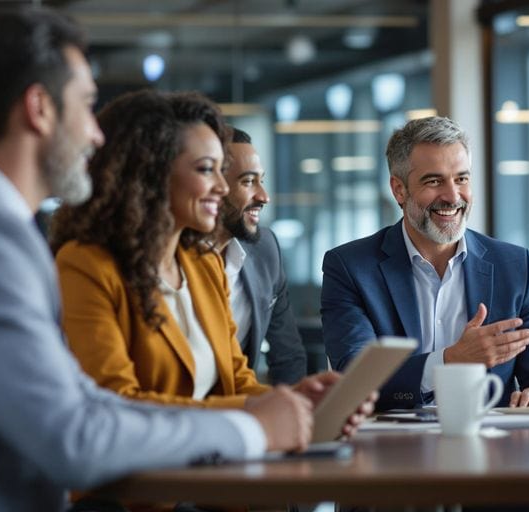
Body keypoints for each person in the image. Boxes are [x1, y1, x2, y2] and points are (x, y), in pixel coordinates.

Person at [0, 7, 316, 510]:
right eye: (86, 105)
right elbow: (74, 439)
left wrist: (277, 408)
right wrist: (249, 429)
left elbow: (84, 405)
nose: (96, 134)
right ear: (39, 109)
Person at [50, 90, 345, 414]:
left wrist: (299, 403)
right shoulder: (86, 266)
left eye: (222, 170)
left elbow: (238, 381)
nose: (221, 186)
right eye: (206, 169)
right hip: (144, 463)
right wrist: (256, 412)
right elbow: (116, 401)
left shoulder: (204, 266)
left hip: (219, 458)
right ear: (151, 173)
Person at [322, 116, 529, 411]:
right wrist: (452, 359)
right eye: (434, 181)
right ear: (399, 190)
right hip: (392, 448)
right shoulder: (350, 267)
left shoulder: (515, 266)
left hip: (493, 448)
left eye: (461, 179)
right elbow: (356, 378)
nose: (453, 196)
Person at [214, 127, 307, 385]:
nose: (263, 197)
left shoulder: (266, 248)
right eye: (247, 182)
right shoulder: (175, 260)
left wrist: (298, 406)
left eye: (261, 181)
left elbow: (288, 355)